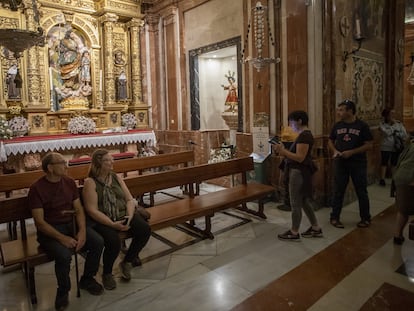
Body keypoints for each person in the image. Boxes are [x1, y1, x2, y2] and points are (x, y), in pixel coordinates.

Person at [28, 152, 104, 311]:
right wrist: (62, 238)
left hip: (71, 225)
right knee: (64, 255)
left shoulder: (69, 182)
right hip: (50, 231)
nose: (66, 165)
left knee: (97, 242)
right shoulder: (36, 189)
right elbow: (40, 223)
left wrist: (82, 230)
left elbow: (79, 209)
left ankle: (87, 279)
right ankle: (63, 290)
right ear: (50, 167)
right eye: (61, 162)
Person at [82, 149, 151, 290]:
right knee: (113, 241)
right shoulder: (90, 182)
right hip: (103, 219)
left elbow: (129, 199)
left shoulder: (116, 177)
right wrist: (113, 225)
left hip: (123, 214)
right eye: (108, 160)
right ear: (99, 163)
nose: (112, 162)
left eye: (112, 159)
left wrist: (129, 217)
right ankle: (107, 273)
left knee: (144, 229)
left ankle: (127, 261)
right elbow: (92, 210)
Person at [273, 111, 322, 241]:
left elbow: (300, 158)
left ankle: (294, 232)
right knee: (304, 201)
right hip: (299, 171)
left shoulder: (304, 136)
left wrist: (283, 152)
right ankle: (316, 228)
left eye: (291, 122)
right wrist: (284, 149)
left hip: (298, 172)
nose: (290, 125)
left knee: (296, 203)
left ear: (299, 121)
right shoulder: (302, 135)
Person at [328, 99, 373, 228]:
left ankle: (365, 218)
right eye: (339, 110)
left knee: (361, 191)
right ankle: (334, 217)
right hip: (341, 163)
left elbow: (369, 145)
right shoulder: (337, 126)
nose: (339, 112)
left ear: (350, 111)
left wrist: (352, 152)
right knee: (338, 190)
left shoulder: (362, 126)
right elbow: (330, 140)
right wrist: (335, 151)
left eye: (341, 110)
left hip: (357, 163)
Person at [392, 137, 414, 245]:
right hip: (408, 179)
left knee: (403, 209)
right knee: (404, 210)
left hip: (401, 177)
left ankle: (398, 235)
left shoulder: (411, 142)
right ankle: (397, 236)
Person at [378, 108, 407, 186]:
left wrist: (395, 132)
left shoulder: (398, 123)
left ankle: (394, 179)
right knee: (384, 162)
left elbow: (404, 134)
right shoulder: (382, 124)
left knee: (394, 163)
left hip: (396, 146)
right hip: (385, 146)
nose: (393, 115)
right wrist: (394, 128)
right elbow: (386, 133)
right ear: (386, 115)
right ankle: (382, 179)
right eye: (391, 114)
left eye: (394, 113)